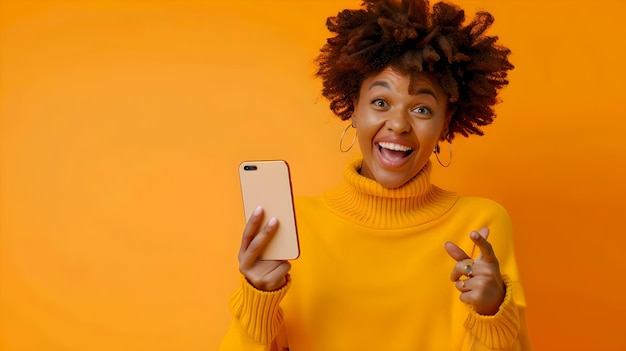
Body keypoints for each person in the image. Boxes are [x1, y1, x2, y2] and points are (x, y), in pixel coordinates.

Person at [219, 0, 530, 350]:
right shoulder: (293, 227)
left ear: (445, 124)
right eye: (381, 103)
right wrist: (259, 297)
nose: (397, 124)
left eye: (422, 109)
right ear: (353, 109)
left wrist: (492, 313)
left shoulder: (480, 226)